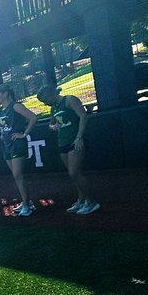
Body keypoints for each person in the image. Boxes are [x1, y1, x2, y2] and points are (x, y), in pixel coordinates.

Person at [37, 82, 99, 214]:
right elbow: (51, 123)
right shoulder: (54, 107)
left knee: (74, 172)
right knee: (73, 175)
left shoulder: (69, 100)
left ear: (52, 94)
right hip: (62, 142)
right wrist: (52, 127)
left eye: (45, 100)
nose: (45, 103)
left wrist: (79, 137)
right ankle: (81, 200)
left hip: (74, 141)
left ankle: (90, 201)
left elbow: (83, 116)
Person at [0, 83, 38, 216]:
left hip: (17, 144)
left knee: (18, 175)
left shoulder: (15, 106)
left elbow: (33, 117)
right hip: (7, 145)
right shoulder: (0, 111)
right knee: (16, 176)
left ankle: (26, 204)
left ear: (5, 94)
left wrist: (24, 134)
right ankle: (27, 201)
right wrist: (3, 135)